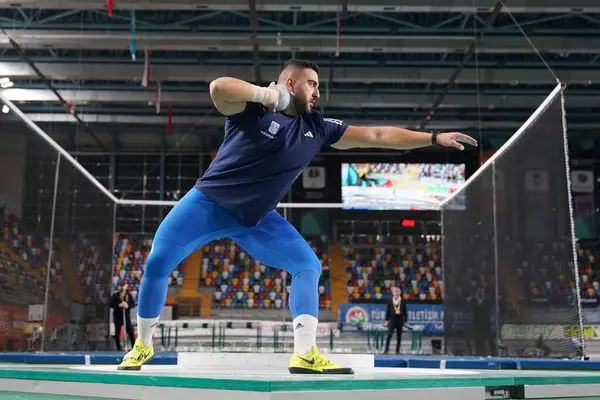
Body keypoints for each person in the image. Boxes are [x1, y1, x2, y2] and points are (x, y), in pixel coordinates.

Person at [118, 59, 478, 373]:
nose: (318, 91)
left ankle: (305, 353)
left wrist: (433, 137)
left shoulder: (319, 127)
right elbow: (218, 89)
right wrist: (266, 95)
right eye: (312, 83)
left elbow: (378, 135)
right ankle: (143, 344)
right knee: (158, 262)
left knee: (308, 265)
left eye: (319, 85)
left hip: (257, 219)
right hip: (207, 204)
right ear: (290, 83)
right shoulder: (254, 111)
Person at [110, 284, 136, 351]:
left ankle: (134, 347)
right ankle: (118, 347)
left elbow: (133, 304)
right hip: (117, 316)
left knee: (130, 331)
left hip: (126, 316)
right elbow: (111, 304)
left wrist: (127, 306)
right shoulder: (115, 295)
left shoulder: (128, 295)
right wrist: (119, 305)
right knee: (117, 332)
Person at [383, 287, 407, 354]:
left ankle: (397, 350)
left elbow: (405, 312)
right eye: (395, 291)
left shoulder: (402, 301)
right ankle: (386, 349)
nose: (396, 293)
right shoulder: (390, 301)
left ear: (400, 293)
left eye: (398, 291)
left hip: (400, 320)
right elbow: (387, 311)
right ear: (393, 293)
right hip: (392, 320)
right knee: (389, 335)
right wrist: (386, 320)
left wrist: (405, 321)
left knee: (399, 336)